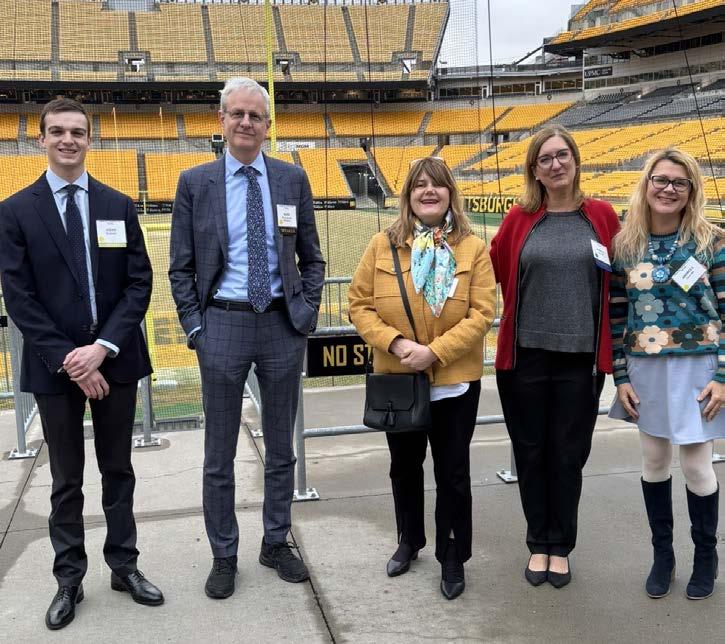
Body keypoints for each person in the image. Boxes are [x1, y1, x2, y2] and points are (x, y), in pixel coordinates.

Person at [0, 98, 163, 630]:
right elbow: (19, 297)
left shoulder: (118, 205)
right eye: (57, 132)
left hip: (114, 362)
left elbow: (139, 283)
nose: (67, 140)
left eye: (77, 131)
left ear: (90, 139)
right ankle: (69, 578)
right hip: (55, 369)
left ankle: (124, 566)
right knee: (66, 479)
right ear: (41, 139)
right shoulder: (15, 211)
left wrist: (102, 348)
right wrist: (72, 360)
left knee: (119, 471)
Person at [169, 77, 325, 599]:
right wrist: (197, 329)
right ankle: (224, 554)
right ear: (221, 120)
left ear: (267, 125)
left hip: (281, 325)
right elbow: (180, 267)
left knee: (281, 448)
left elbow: (312, 256)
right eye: (236, 113)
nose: (245, 122)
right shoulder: (195, 183)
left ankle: (275, 541)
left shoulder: (291, 179)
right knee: (219, 455)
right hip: (222, 325)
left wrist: (305, 313)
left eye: (255, 116)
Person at [348, 157, 496, 600]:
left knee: (453, 474)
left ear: (451, 193)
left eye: (437, 185)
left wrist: (434, 352)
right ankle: (409, 540)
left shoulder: (473, 248)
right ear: (408, 195)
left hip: (454, 384)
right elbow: (359, 304)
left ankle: (452, 555)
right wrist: (396, 344)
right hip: (399, 382)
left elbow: (482, 313)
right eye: (419, 185)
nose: (428, 192)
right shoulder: (382, 244)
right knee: (404, 469)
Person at [490, 125, 620, 588]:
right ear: (534, 170)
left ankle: (560, 545)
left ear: (576, 160)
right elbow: (493, 268)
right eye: (544, 158)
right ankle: (537, 543)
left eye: (562, 155)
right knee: (530, 454)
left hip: (579, 361)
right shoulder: (519, 218)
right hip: (525, 358)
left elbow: (622, 276)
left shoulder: (601, 216)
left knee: (568, 457)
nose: (555, 164)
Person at [609, 148, 723, 600]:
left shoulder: (712, 242)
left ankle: (706, 557)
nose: (668, 189)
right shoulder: (625, 246)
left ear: (691, 190)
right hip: (645, 368)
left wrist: (723, 377)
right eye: (661, 180)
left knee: (696, 466)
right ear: (647, 184)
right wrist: (621, 377)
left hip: (700, 368)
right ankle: (663, 556)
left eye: (679, 182)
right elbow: (617, 316)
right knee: (654, 462)